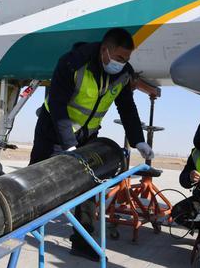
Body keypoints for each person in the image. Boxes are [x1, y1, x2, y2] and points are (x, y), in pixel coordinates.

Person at [29, 27, 154, 261]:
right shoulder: (72, 63)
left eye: (127, 59)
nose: (123, 63)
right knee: (39, 180)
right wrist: (68, 144)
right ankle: (29, 224)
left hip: (87, 135)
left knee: (89, 185)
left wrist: (139, 140)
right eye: (119, 58)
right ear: (105, 50)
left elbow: (127, 107)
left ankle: (82, 240)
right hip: (54, 130)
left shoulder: (123, 73)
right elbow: (57, 104)